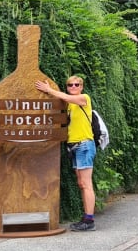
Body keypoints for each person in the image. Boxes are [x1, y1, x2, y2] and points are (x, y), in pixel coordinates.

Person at [34, 75, 97, 231]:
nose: (73, 87)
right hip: (74, 146)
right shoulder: (69, 105)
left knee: (86, 183)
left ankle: (89, 220)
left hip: (84, 145)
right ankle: (86, 217)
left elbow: (65, 97)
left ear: (81, 87)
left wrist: (49, 90)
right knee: (81, 183)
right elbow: (63, 100)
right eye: (70, 85)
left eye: (77, 84)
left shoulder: (84, 98)